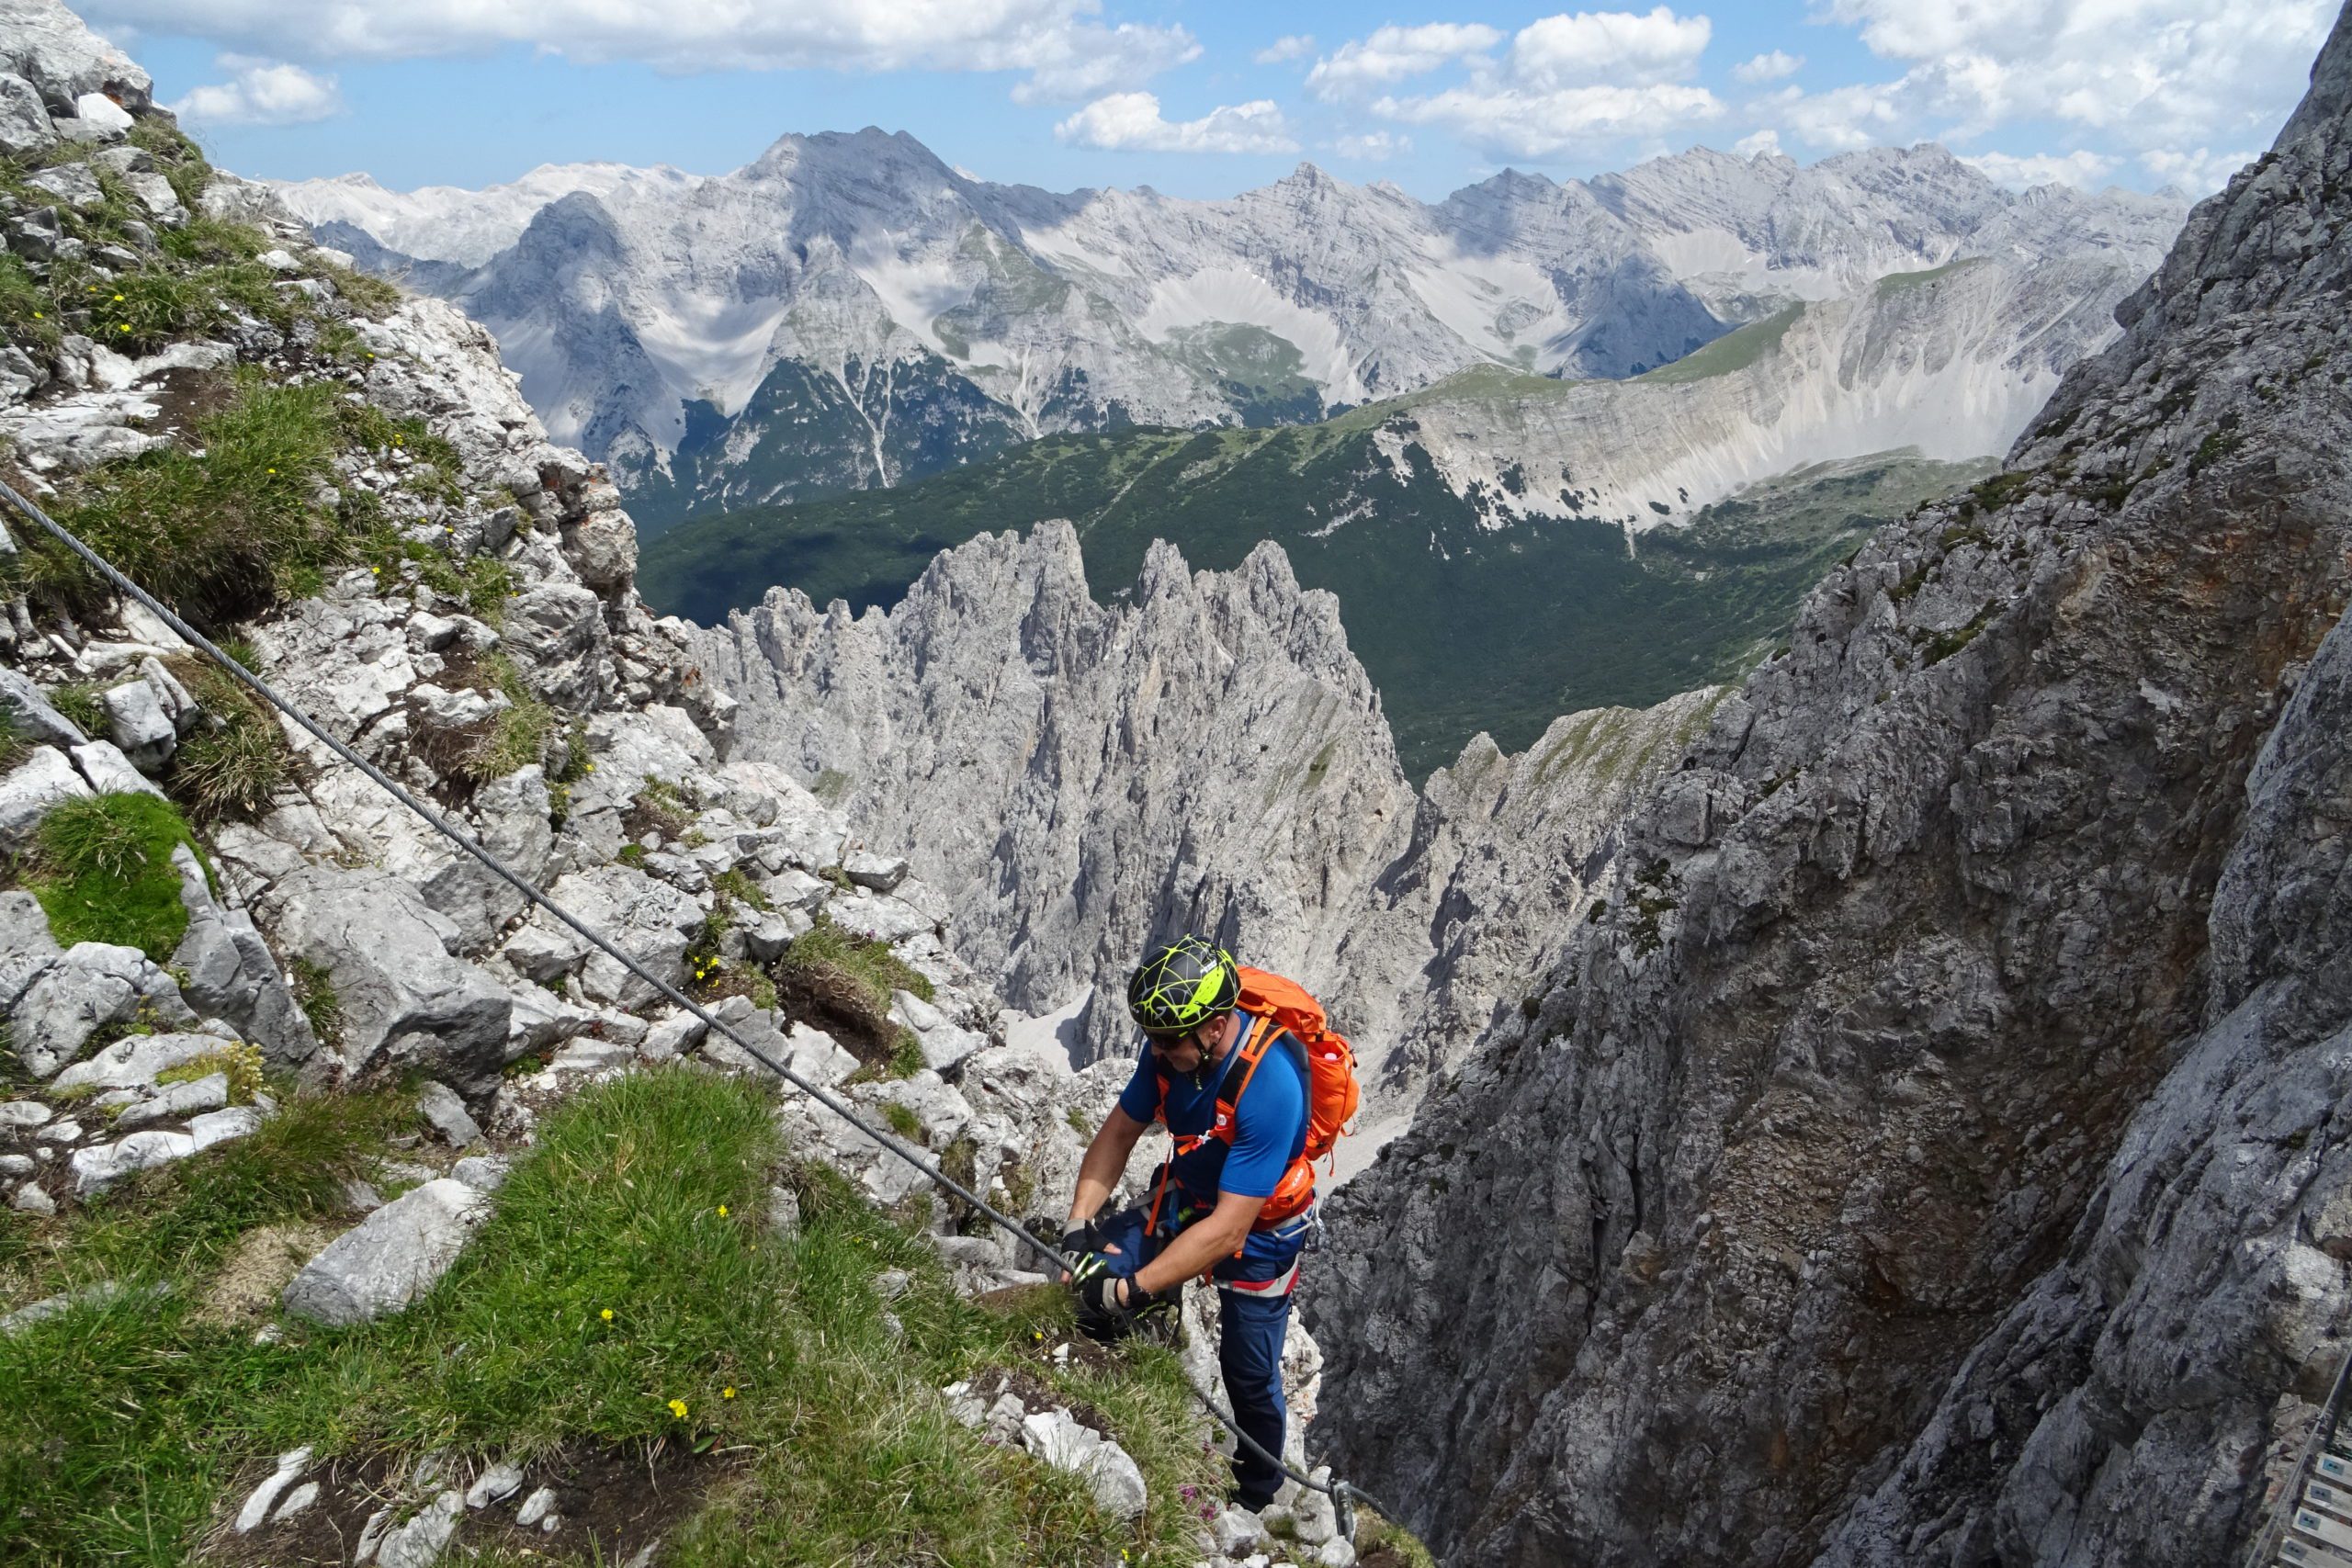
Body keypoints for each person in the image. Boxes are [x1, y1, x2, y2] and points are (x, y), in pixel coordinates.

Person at [1058, 934, 1318, 1510]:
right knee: (1088, 1275)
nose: (1154, 1051)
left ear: (1215, 1026)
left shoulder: (1268, 1084)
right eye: (1150, 1037)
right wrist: (1079, 1226)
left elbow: (1229, 1231)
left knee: (1247, 1372)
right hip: (1193, 1198)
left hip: (1262, 1235)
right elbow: (1119, 1133)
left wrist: (1131, 1290)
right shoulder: (1167, 1058)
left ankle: (1256, 1491)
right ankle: (1105, 1395)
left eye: (1167, 1041)